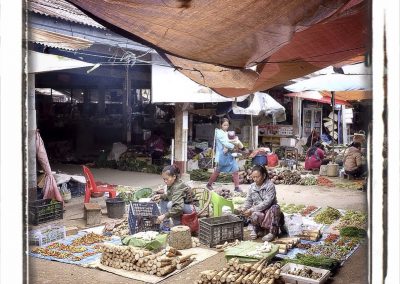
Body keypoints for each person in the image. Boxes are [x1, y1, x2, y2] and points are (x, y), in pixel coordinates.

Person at [239, 165, 285, 241]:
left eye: (257, 177)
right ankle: (257, 230)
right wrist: (244, 208)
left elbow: (267, 202)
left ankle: (273, 233)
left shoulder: (270, 185)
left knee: (275, 208)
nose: (255, 179)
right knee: (254, 214)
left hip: (270, 212)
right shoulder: (251, 187)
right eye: (253, 177)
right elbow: (249, 200)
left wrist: (252, 209)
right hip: (260, 212)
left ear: (263, 175)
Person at [206, 118, 243, 192]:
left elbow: (231, 141)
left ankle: (236, 187)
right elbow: (226, 143)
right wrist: (235, 144)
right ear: (221, 125)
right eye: (224, 125)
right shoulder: (219, 133)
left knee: (235, 170)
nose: (226, 126)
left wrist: (235, 143)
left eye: (227, 125)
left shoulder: (227, 133)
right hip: (222, 156)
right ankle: (209, 184)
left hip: (229, 155)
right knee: (217, 171)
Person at [154, 165, 195, 229]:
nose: (165, 181)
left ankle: (178, 226)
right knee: (163, 201)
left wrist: (164, 215)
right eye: (164, 179)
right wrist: (161, 196)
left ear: (174, 177)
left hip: (192, 207)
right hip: (183, 204)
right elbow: (170, 196)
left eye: (167, 179)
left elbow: (178, 207)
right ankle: (165, 225)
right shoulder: (172, 183)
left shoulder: (178, 186)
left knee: (171, 205)